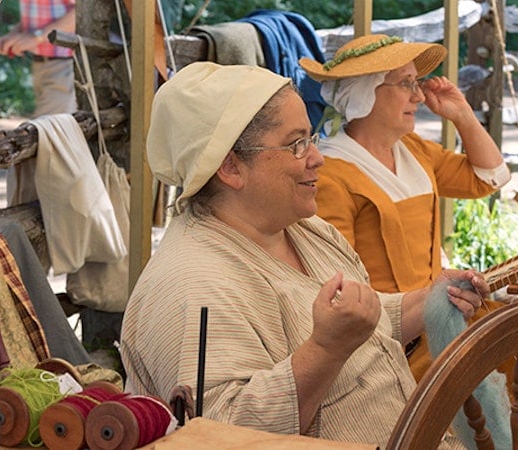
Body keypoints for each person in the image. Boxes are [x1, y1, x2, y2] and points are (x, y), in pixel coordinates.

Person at [120, 61, 489, 448]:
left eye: (311, 138)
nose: (317, 157)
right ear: (230, 167)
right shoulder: (192, 287)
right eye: (296, 144)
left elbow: (363, 318)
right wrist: (326, 350)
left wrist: (429, 301)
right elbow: (220, 435)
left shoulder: (306, 230)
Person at [300, 35, 518, 447]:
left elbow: (490, 177)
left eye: (416, 83)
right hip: (395, 341)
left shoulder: (414, 151)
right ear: (365, 94)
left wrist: (462, 115)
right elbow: (335, 283)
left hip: (449, 318)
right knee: (472, 376)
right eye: (405, 84)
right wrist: (421, 313)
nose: (418, 96)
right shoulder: (332, 173)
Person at [0, 0, 77, 117]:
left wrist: (37, 37)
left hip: (66, 64)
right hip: (40, 65)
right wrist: (15, 34)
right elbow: (40, 15)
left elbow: (81, 14)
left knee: (46, 125)